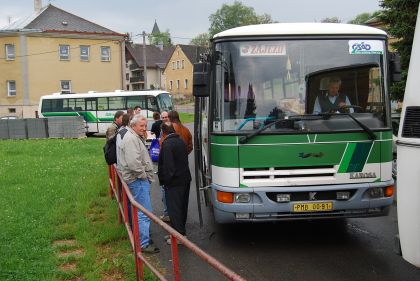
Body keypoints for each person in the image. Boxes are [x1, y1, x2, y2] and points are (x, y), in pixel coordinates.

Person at [118, 114, 159, 254]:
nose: (144, 128)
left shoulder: (133, 136)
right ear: (133, 125)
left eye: (145, 125)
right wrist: (144, 177)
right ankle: (143, 244)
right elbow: (134, 164)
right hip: (138, 181)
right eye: (141, 126)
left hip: (137, 180)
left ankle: (143, 238)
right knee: (144, 212)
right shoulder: (131, 139)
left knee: (141, 211)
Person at [158, 122, 191, 244]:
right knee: (182, 208)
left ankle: (180, 236)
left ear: (163, 132)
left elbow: (168, 167)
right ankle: (177, 233)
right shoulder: (180, 140)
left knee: (174, 209)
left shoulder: (167, 144)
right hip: (184, 179)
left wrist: (166, 181)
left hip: (174, 182)